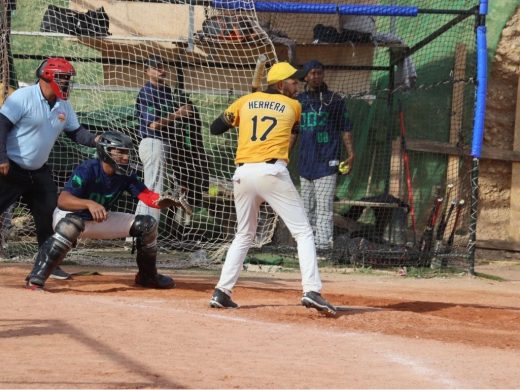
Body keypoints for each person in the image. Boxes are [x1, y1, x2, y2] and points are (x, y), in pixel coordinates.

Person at [207, 62, 337, 316]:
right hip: (271, 171)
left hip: (243, 174)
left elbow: (215, 128)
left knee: (244, 235)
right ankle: (311, 290)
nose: (297, 85)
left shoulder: (245, 101)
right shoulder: (294, 106)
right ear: (279, 84)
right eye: (292, 81)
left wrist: (245, 107)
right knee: (303, 232)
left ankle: (222, 291)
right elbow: (292, 132)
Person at [25, 131, 176, 291]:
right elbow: (63, 200)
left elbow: (147, 196)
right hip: (71, 217)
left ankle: (147, 276)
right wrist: (89, 204)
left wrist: (165, 201)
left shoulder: (126, 173)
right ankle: (36, 278)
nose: (125, 157)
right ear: (106, 152)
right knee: (72, 225)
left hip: (99, 220)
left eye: (127, 153)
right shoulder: (89, 168)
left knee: (147, 224)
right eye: (120, 152)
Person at [0, 57, 99, 279]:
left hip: (39, 170)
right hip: (11, 169)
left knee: (47, 217)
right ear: (46, 76)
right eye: (62, 78)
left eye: (68, 79)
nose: (66, 83)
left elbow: (76, 132)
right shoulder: (23, 97)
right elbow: (1, 126)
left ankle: (48, 264)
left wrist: (96, 140)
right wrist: (1, 157)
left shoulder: (63, 105)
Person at [134, 55, 204, 224]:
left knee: (156, 188)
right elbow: (153, 125)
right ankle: (144, 231)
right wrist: (178, 114)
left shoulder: (167, 91)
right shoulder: (147, 91)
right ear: (147, 71)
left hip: (165, 144)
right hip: (152, 142)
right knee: (153, 188)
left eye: (163, 66)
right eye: (156, 67)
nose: (161, 70)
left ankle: (141, 231)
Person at [296, 60, 355, 252]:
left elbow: (345, 128)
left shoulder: (334, 100)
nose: (316, 76)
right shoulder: (299, 101)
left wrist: (351, 153)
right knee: (306, 210)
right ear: (305, 76)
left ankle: (322, 249)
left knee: (324, 209)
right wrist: (283, 155)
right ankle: (306, 249)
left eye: (319, 73)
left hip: (327, 163)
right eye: (312, 73)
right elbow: (293, 132)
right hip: (306, 164)